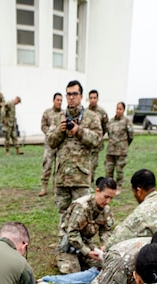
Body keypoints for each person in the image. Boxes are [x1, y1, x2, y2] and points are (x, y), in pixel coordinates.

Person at [47, 80, 102, 218]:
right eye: (69, 94)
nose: (71, 97)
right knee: (63, 215)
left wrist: (79, 130)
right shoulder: (58, 118)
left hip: (81, 177)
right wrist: (60, 130)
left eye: (75, 94)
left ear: (81, 96)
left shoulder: (91, 117)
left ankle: (80, 240)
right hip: (62, 177)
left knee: (82, 215)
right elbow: (50, 142)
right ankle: (63, 240)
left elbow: (96, 140)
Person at [55, 176, 118, 274]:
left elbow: (106, 230)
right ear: (97, 191)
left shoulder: (106, 210)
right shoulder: (82, 207)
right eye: (106, 197)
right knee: (71, 271)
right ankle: (62, 256)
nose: (108, 201)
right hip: (69, 243)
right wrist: (87, 252)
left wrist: (105, 245)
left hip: (85, 242)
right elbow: (72, 234)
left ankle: (81, 258)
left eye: (111, 198)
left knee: (104, 266)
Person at [39, 92, 64, 196]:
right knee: (47, 165)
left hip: (60, 144)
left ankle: (56, 188)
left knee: (58, 167)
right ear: (53, 100)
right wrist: (50, 132)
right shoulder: (47, 112)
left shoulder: (64, 113)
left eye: (61, 100)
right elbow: (43, 125)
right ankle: (44, 187)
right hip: (49, 144)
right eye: (57, 100)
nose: (59, 102)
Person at [103, 102, 134, 184]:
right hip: (111, 150)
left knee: (119, 170)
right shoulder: (111, 121)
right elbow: (109, 133)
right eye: (117, 109)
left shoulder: (127, 121)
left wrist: (125, 145)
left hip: (121, 150)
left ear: (123, 110)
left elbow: (131, 135)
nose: (118, 111)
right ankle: (109, 185)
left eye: (120, 109)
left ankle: (119, 185)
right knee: (108, 169)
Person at [85, 89, 110, 179]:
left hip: (95, 144)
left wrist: (98, 137)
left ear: (97, 99)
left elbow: (105, 127)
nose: (93, 100)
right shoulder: (84, 112)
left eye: (94, 98)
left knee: (93, 165)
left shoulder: (102, 112)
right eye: (91, 98)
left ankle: (90, 182)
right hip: (85, 143)